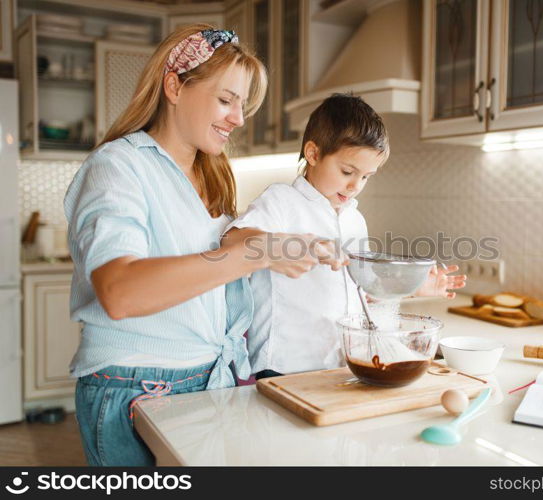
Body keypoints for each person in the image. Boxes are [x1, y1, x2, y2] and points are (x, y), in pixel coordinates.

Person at [63, 25, 343, 466]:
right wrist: (255, 253)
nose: (239, 119)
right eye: (226, 100)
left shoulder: (210, 176)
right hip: (138, 386)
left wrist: (273, 244)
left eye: (243, 105)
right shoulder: (118, 165)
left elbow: (212, 258)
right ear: (174, 85)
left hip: (208, 382)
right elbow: (120, 291)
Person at [225, 94, 466, 380]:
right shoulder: (281, 201)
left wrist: (411, 287)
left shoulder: (354, 219)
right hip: (285, 364)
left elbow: (360, 290)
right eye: (347, 171)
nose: (355, 186)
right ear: (313, 154)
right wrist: (293, 246)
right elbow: (233, 241)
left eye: (366, 177)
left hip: (340, 362)